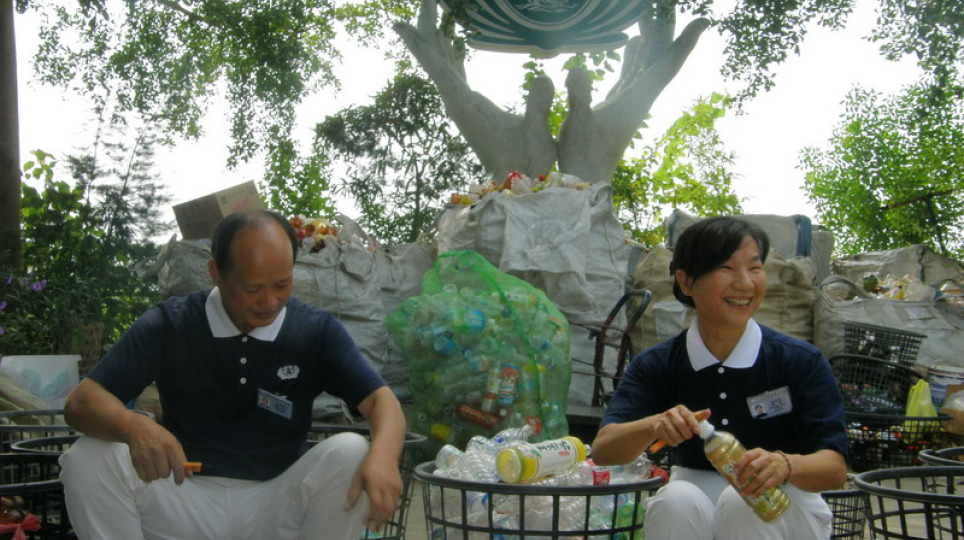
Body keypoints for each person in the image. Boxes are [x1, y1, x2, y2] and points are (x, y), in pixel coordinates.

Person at [59, 210, 407, 540]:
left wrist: (384, 458)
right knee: (89, 457)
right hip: (182, 497)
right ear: (215, 272)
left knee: (352, 451)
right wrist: (134, 426)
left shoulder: (314, 331)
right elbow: (81, 403)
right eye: (252, 289)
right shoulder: (172, 324)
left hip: (276, 504)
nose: (269, 302)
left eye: (282, 285)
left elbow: (380, 401)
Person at [591, 216, 847, 540]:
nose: (745, 283)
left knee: (743, 503)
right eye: (727, 268)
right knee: (674, 501)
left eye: (754, 268)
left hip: (788, 507)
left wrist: (784, 465)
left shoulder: (799, 361)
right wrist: (653, 425)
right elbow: (604, 449)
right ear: (686, 281)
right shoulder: (658, 364)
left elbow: (834, 468)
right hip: (697, 500)